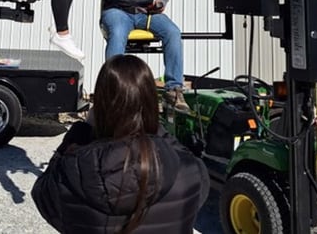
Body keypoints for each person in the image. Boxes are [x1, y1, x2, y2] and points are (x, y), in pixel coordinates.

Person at [31, 54, 210, 233]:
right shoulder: (190, 171)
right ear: (151, 103)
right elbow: (188, 161)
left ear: (99, 108)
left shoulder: (70, 175)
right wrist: (154, 126)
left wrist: (78, 133)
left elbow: (41, 194)